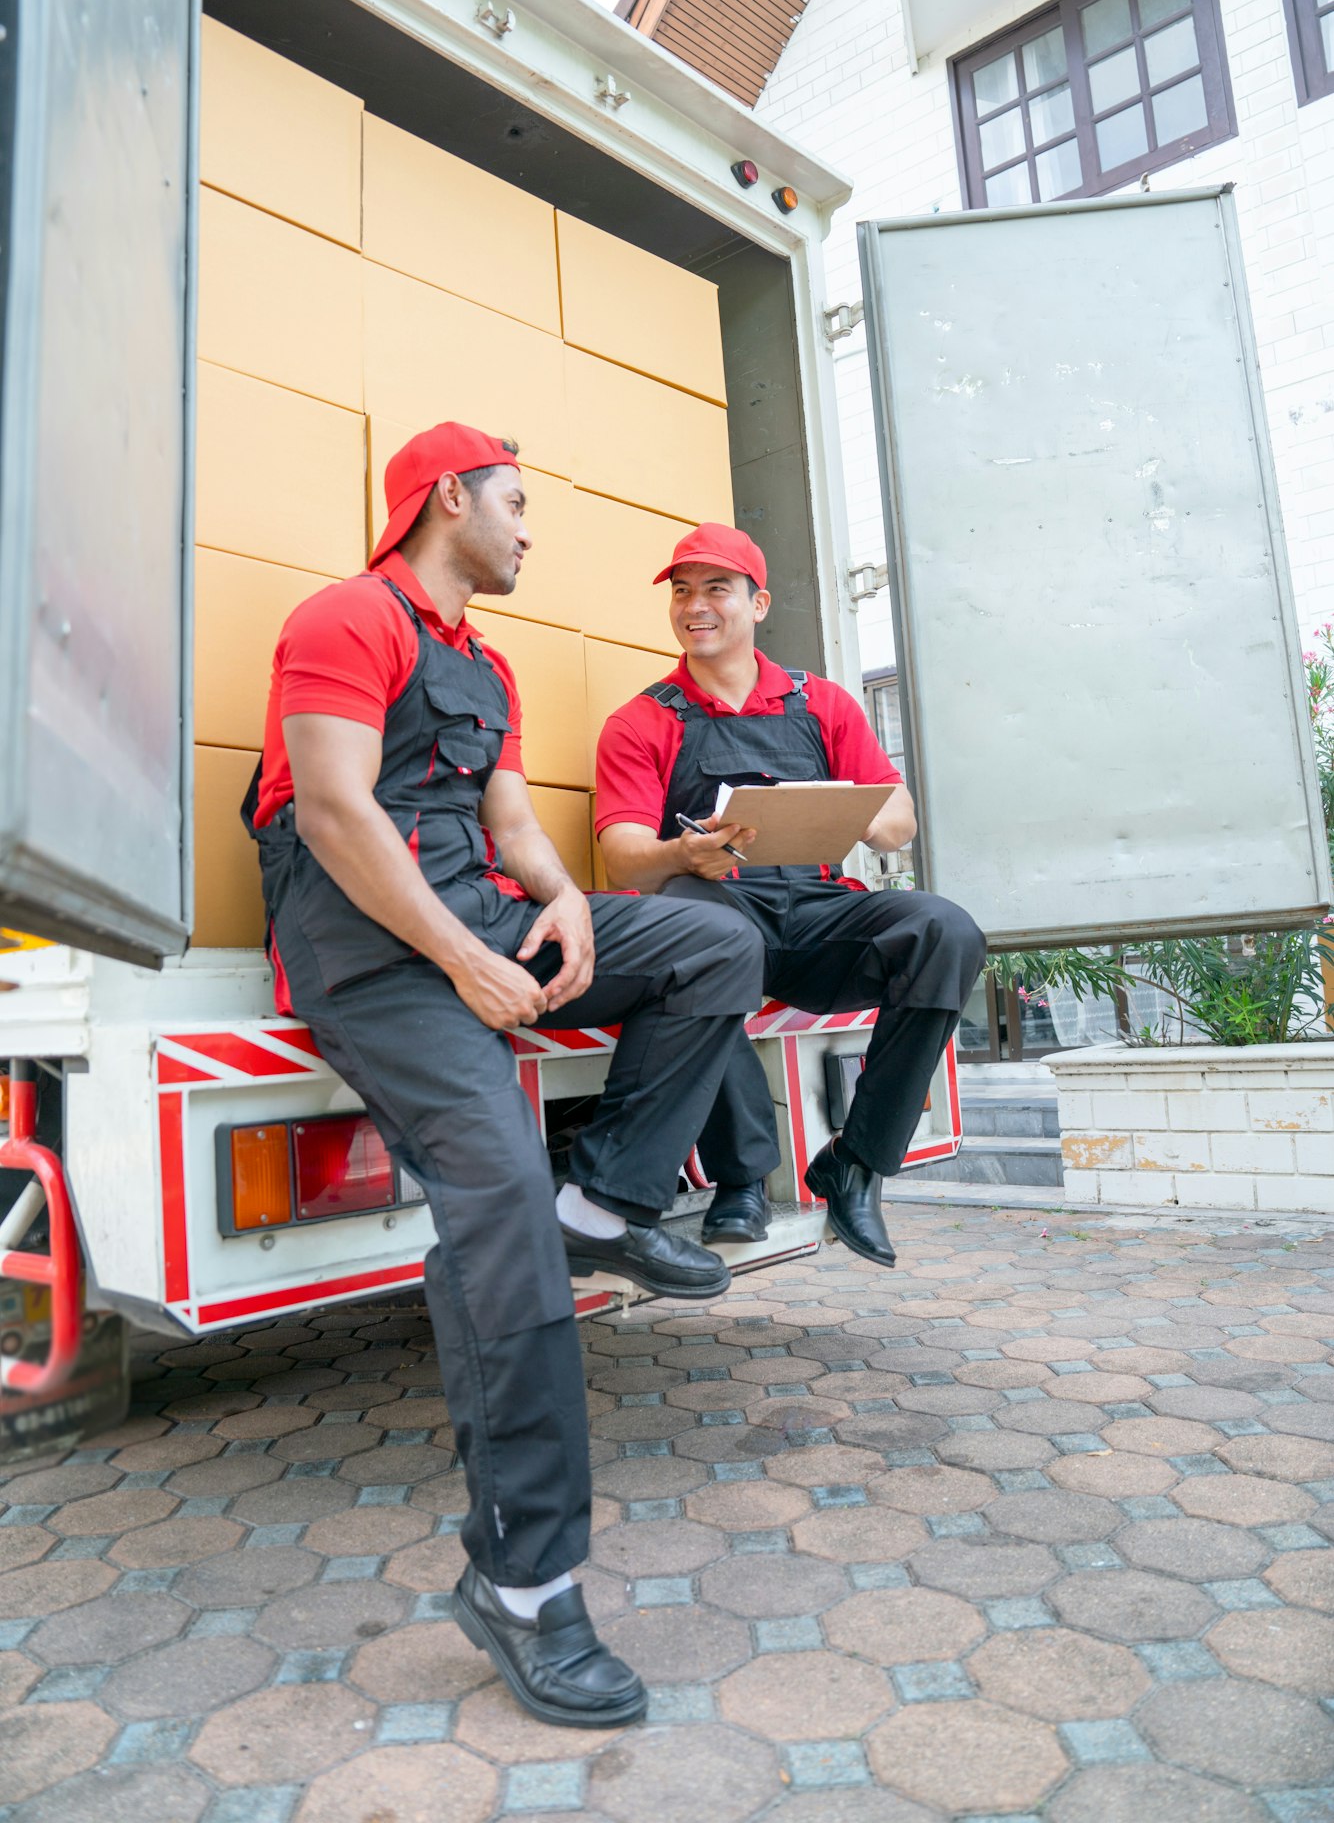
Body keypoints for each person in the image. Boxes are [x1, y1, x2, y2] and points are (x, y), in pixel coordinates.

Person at [243, 429, 767, 1729]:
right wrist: (468, 960)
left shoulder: (486, 659)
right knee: (500, 1230)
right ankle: (526, 1589)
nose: (530, 531)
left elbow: (513, 820)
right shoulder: (344, 617)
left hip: (478, 918)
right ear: (448, 499)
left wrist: (563, 908)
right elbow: (331, 809)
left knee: (714, 939)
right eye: (517, 506)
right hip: (373, 963)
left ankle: (610, 1204)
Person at [595, 522, 986, 1267]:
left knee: (947, 931)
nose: (694, 606)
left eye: (716, 589)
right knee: (693, 922)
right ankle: (742, 1178)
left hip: (815, 917)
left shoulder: (824, 704)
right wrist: (685, 851)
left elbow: (897, 824)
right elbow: (621, 858)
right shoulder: (643, 720)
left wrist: (832, 807)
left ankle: (858, 1164)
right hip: (717, 914)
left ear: (758, 602)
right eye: (682, 592)